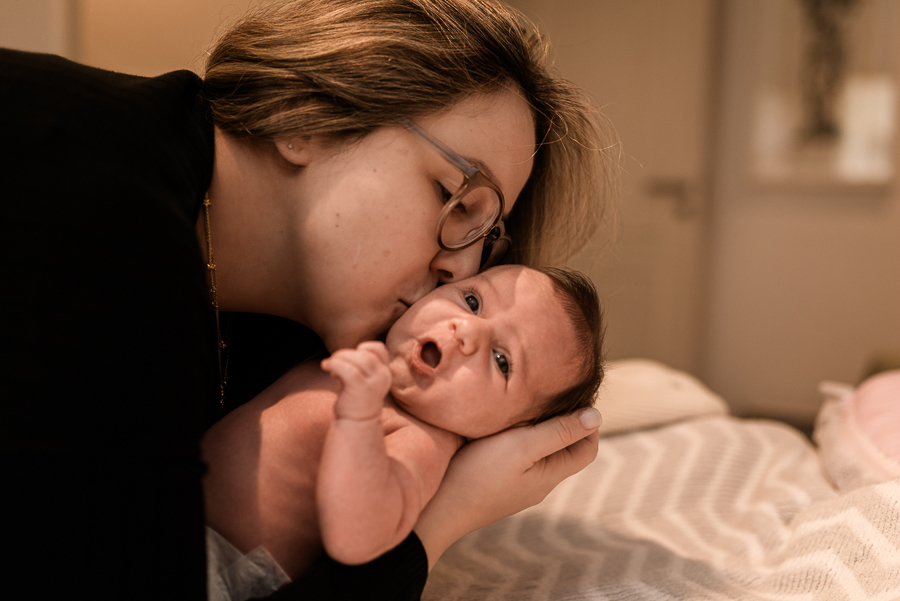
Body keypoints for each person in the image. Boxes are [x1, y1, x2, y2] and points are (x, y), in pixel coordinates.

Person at [1, 0, 618, 598]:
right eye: (457, 200)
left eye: (487, 239)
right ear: (307, 118)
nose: (461, 267)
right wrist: (441, 524)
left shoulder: (285, 332)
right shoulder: (90, 216)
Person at [201, 265, 604, 598]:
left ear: (505, 432)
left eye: (502, 361)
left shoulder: (421, 442)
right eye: (472, 301)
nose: (467, 330)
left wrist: (358, 420)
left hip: (220, 570)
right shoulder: (361, 344)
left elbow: (356, 539)